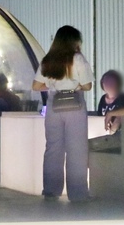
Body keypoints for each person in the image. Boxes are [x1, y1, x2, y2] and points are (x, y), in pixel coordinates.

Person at [31, 25, 93, 202]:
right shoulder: (78, 58)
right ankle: (78, 193)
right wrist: (75, 86)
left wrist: (52, 86)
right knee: (77, 150)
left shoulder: (48, 60)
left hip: (53, 105)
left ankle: (51, 190)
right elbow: (88, 86)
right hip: (75, 106)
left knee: (53, 148)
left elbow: (35, 86)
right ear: (74, 41)